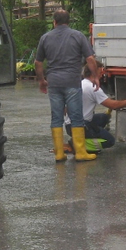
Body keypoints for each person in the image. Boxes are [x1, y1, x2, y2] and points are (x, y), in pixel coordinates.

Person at [34, 9, 99, 162]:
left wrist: (42, 80)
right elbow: (90, 58)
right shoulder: (78, 35)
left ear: (54, 22)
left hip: (54, 83)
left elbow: (38, 63)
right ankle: (81, 152)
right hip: (72, 82)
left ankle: (59, 153)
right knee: (76, 117)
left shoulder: (45, 38)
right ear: (68, 21)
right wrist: (95, 76)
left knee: (56, 117)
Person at [66, 62, 126, 152]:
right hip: (80, 127)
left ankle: (83, 140)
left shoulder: (81, 84)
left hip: (70, 126)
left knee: (103, 118)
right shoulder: (93, 87)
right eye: (100, 72)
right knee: (109, 141)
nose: (102, 75)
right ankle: (78, 145)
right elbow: (112, 105)